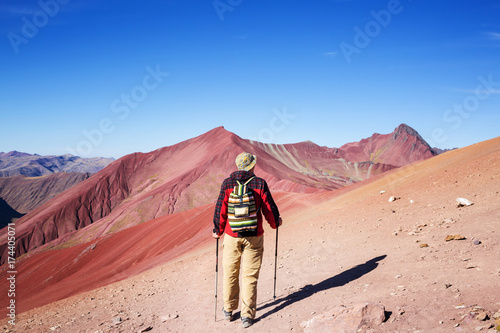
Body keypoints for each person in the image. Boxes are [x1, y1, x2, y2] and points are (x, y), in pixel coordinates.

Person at [213, 152, 282, 328]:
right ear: (252, 166)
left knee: (230, 273)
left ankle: (228, 310)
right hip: (255, 236)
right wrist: (275, 223)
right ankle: (247, 316)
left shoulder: (227, 183)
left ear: (237, 166)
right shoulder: (259, 183)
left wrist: (217, 230)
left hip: (231, 236)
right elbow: (269, 207)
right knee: (250, 276)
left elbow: (221, 208)